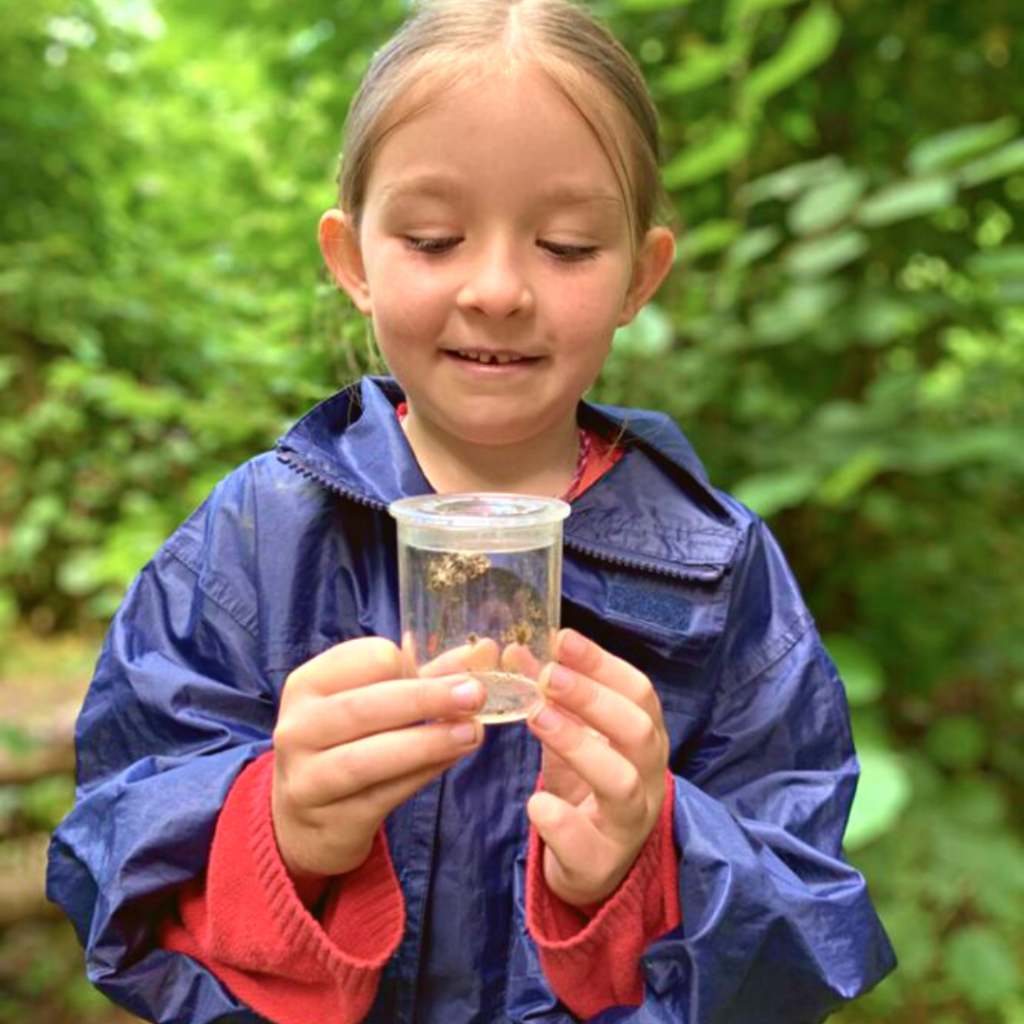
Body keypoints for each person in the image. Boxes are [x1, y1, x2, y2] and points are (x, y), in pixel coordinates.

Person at [47, 1, 896, 1022]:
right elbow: (113, 854)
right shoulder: (257, 539)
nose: (496, 288)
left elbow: (805, 927)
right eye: (435, 237)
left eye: (569, 245)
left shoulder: (716, 569)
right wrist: (275, 828)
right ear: (353, 258)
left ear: (641, 274)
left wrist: (647, 857)